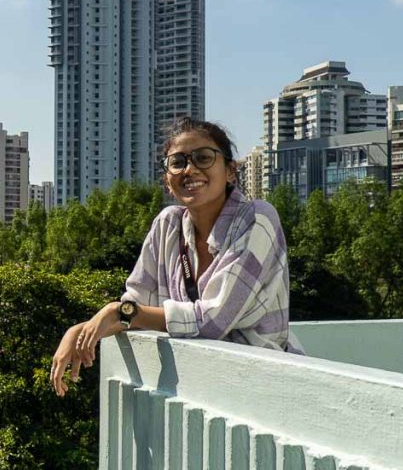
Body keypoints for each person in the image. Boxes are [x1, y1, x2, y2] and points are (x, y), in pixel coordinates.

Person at [50, 117, 299, 397]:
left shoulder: (257, 218)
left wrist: (118, 311)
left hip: (264, 388)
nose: (190, 170)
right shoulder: (168, 225)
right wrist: (81, 330)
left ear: (231, 171)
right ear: (168, 181)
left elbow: (213, 320)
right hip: (197, 388)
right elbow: (136, 302)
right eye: (178, 162)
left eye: (203, 158)